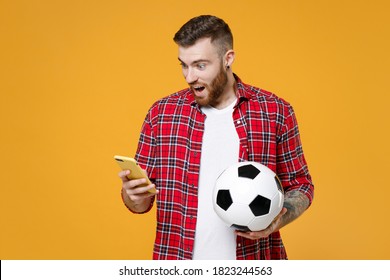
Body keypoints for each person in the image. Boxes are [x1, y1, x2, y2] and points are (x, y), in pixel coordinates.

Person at [119, 15, 314, 260]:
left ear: (227, 59)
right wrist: (133, 195)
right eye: (183, 65)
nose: (189, 77)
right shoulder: (161, 114)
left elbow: (301, 185)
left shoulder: (274, 111)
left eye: (200, 65)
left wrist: (278, 219)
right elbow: (139, 203)